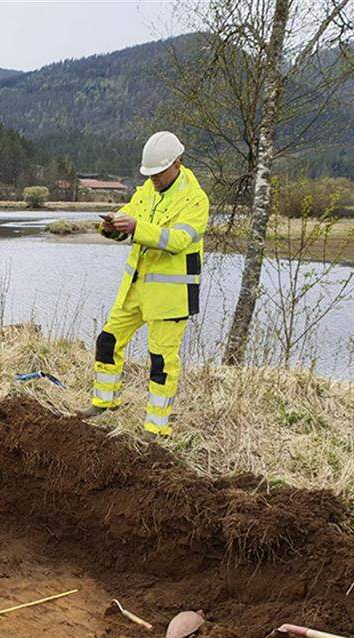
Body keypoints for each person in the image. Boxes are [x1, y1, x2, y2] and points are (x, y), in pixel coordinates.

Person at [83, 131, 209, 438]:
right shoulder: (148, 191)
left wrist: (138, 228)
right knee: (108, 340)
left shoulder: (195, 199)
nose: (152, 179)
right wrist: (112, 226)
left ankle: (156, 426)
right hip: (136, 287)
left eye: (158, 173)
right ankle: (105, 402)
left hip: (171, 296)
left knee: (161, 361)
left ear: (176, 163)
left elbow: (178, 240)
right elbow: (129, 216)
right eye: (149, 174)